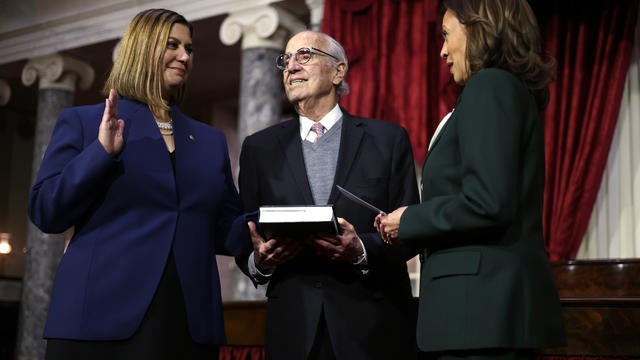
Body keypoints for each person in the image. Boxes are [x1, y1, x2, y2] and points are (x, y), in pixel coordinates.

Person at [28, 8, 247, 360]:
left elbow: (225, 228)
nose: (184, 56)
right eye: (172, 45)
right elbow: (46, 211)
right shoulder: (85, 122)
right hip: (99, 318)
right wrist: (101, 152)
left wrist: (270, 228)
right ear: (142, 49)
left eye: (189, 49)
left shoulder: (209, 140)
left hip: (185, 321)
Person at [375, 0, 566, 359]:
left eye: (447, 35)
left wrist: (410, 220)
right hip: (483, 315)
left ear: (478, 28)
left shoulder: (489, 86)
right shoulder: (502, 90)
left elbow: (488, 202)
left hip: (479, 315)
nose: (444, 51)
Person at [235, 30, 420, 359]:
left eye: (304, 55)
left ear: (338, 71)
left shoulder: (387, 140)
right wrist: (259, 262)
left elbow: (411, 231)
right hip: (294, 329)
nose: (291, 67)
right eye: (286, 60)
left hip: (373, 327)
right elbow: (245, 233)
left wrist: (361, 249)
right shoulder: (258, 149)